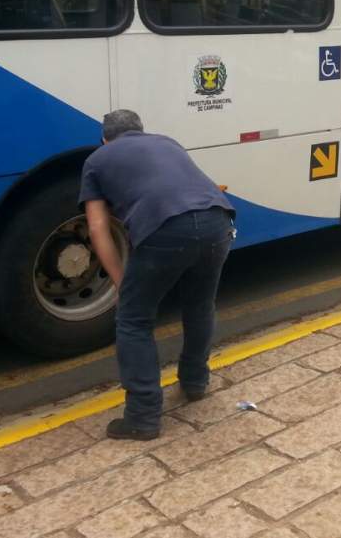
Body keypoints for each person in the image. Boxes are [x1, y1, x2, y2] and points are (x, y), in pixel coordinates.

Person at [79, 109, 236, 440]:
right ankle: (195, 382)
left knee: (133, 319)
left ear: (105, 138)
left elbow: (97, 227)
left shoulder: (97, 159)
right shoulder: (167, 142)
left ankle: (142, 416)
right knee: (199, 305)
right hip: (218, 220)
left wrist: (121, 281)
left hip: (167, 229)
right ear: (141, 130)